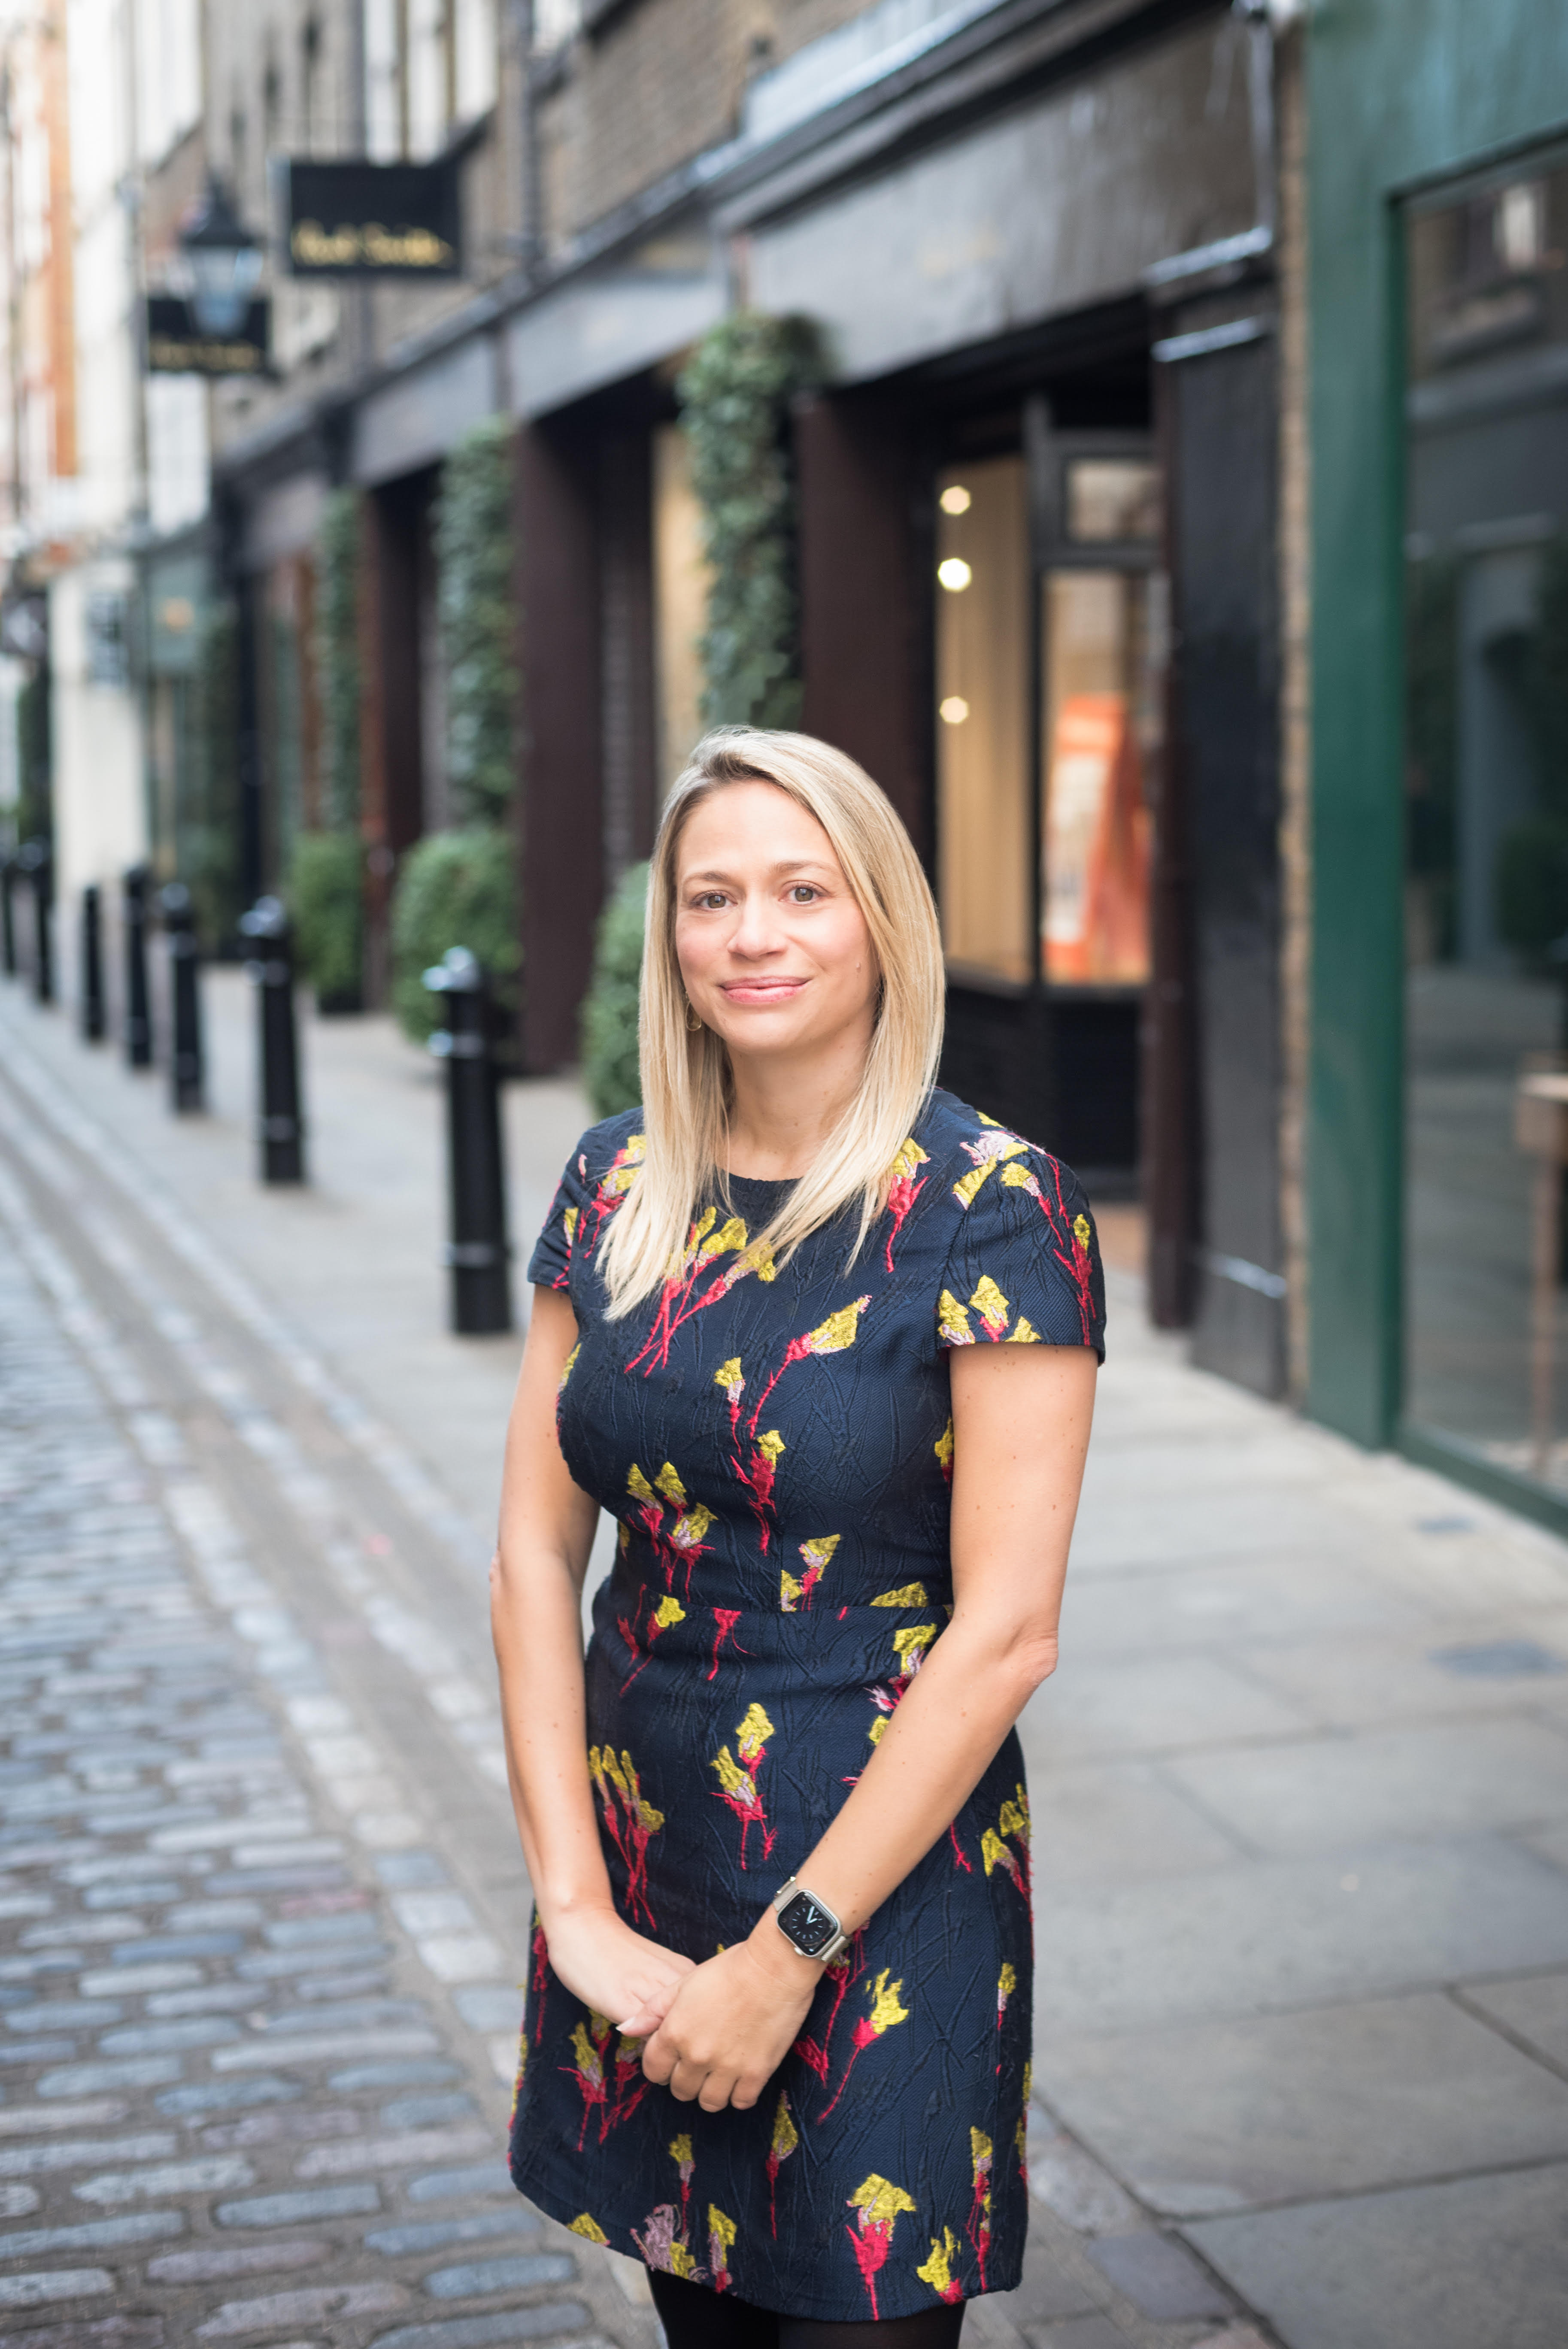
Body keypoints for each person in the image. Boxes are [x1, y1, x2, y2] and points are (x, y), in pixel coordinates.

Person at [492, 727, 1103, 2349]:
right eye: (711, 897)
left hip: (883, 1887)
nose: (751, 934)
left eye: (798, 890)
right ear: (670, 939)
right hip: (645, 1869)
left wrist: (791, 1951)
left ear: (880, 919)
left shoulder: (993, 1203)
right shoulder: (618, 1182)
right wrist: (573, 1910)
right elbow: (534, 1562)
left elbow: (1010, 1631)